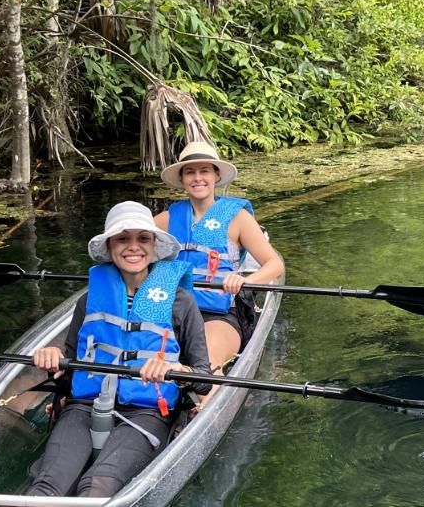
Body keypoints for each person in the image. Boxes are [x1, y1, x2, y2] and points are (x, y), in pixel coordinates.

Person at [27, 201, 212, 498]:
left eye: (143, 238)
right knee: (47, 487)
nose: (133, 247)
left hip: (147, 410)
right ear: (110, 246)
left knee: (97, 486)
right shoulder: (88, 301)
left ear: (154, 246)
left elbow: (203, 379)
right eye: (122, 238)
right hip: (84, 407)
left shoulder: (180, 302)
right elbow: (71, 366)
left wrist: (176, 371)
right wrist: (54, 359)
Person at [154, 141, 284, 402]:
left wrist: (245, 280)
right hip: (174, 311)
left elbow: (274, 265)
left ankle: (200, 410)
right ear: (182, 179)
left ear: (216, 176)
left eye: (204, 171)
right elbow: (128, 248)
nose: (198, 178)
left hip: (219, 312)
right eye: (190, 172)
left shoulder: (238, 218)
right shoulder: (166, 219)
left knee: (208, 365)